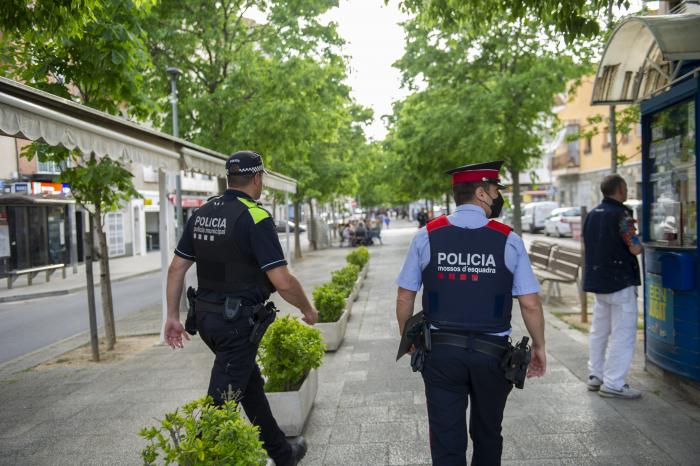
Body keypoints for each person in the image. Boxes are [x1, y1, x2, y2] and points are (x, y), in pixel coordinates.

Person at [164, 150, 319, 466]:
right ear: (258, 178)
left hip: (205, 319)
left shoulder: (202, 213)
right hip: (236, 325)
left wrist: (171, 316)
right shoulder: (256, 217)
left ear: (228, 178)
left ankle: (282, 453)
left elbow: (176, 268)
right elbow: (282, 280)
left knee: (248, 385)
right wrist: (307, 308)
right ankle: (198, 460)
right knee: (219, 407)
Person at [395, 160, 546, 466]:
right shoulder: (508, 239)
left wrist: (407, 338)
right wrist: (540, 346)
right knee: (488, 433)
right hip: (492, 356)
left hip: (441, 354)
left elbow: (405, 295)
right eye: (494, 191)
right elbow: (529, 303)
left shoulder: (427, 235)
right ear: (480, 193)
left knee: (446, 438)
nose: (496, 197)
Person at [583, 174, 642, 399]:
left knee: (599, 331)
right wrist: (640, 245)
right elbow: (634, 248)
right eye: (625, 187)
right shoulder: (622, 214)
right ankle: (614, 383)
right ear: (619, 189)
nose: (626, 191)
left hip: (599, 283)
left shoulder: (592, 214)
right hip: (620, 283)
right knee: (623, 333)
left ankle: (595, 375)